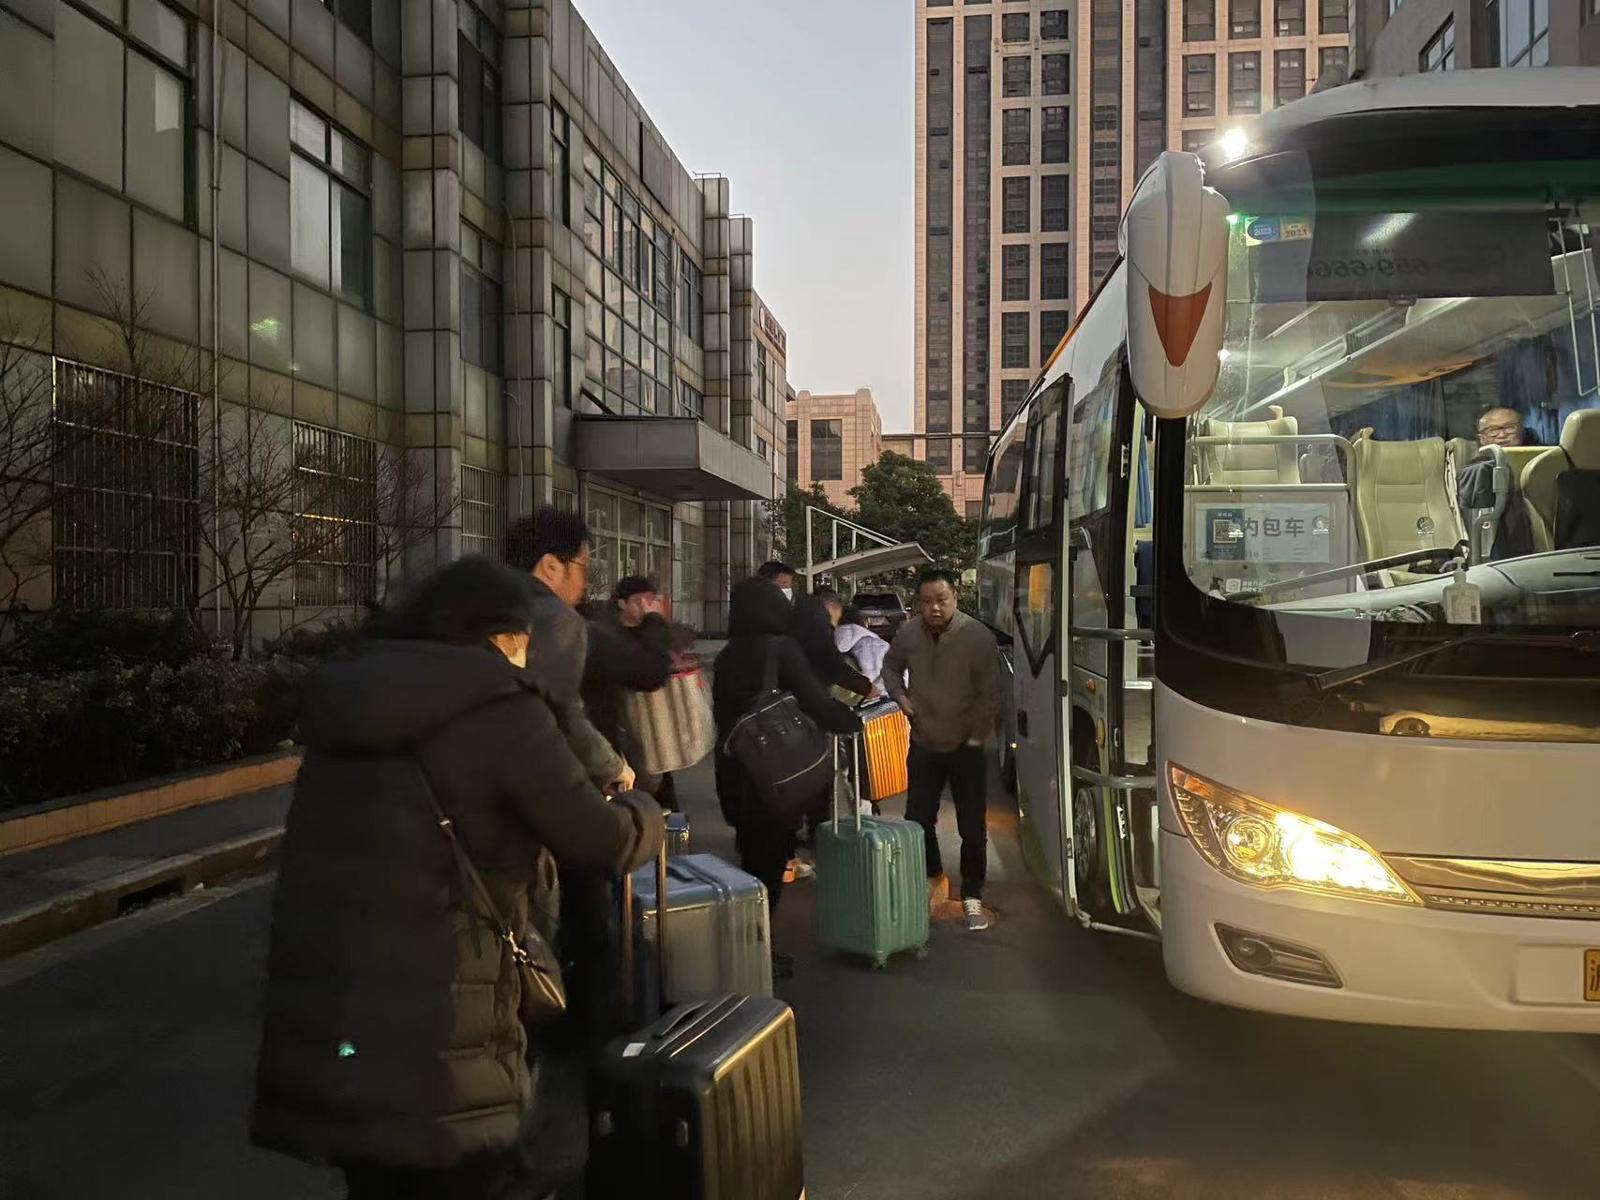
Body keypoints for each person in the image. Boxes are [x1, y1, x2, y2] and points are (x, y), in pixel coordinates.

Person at [253, 556, 664, 1199]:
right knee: (458, 1169)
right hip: (444, 1005)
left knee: (378, 1174)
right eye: (522, 640)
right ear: (499, 634)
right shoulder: (499, 707)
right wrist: (643, 812)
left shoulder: (351, 702)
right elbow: (598, 837)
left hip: (335, 1007)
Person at [713, 576, 862, 977]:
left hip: (734, 771)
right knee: (768, 866)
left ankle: (745, 945)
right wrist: (851, 720)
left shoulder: (727, 655)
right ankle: (756, 953)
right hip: (772, 775)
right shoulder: (781, 648)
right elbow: (817, 701)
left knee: (750, 859)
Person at [882, 567, 1002, 932]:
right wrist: (900, 698)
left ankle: (972, 894)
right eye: (926, 601)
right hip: (924, 742)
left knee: (972, 827)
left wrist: (977, 737)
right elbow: (890, 668)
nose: (934, 608)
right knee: (918, 819)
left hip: (966, 746)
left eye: (941, 600)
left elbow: (991, 693)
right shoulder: (908, 633)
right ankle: (932, 877)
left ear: (955, 598)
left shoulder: (977, 636)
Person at [506, 506, 634, 794]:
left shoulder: (480, 605)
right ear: (551, 566)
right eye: (582, 567)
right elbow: (559, 712)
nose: (584, 581)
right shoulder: (555, 618)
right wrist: (611, 767)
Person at [582, 575, 692, 812]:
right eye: (637, 601)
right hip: (618, 729)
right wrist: (655, 623)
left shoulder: (649, 630)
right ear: (621, 603)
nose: (645, 607)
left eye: (649, 600)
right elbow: (648, 672)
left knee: (659, 789)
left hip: (651, 726)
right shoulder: (607, 634)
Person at [758, 562, 873, 699]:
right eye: (783, 584)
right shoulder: (810, 614)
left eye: (788, 585)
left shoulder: (797, 612)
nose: (787, 589)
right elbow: (829, 662)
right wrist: (866, 688)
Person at [833, 605, 892, 701]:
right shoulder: (881, 646)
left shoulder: (826, 645)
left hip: (837, 703)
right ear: (864, 623)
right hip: (875, 703)